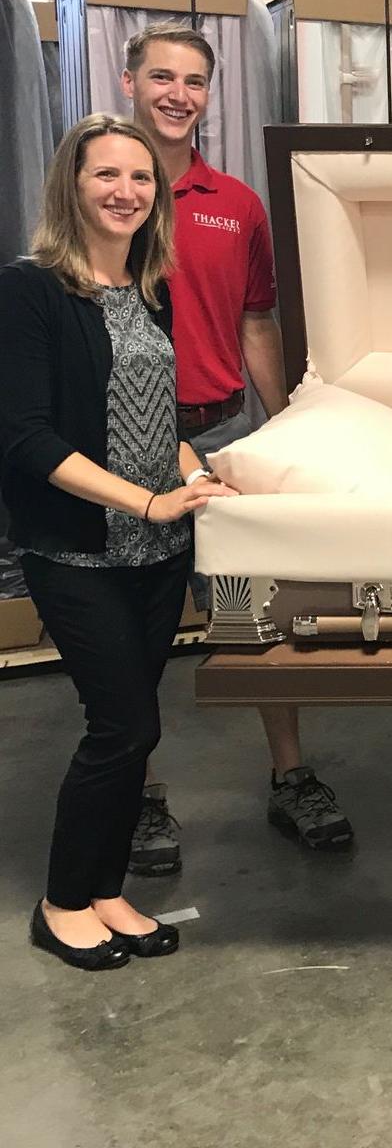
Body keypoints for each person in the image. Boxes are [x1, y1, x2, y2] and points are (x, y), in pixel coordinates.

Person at [0, 114, 235, 970]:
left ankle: (104, 890)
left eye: (141, 178)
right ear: (72, 183)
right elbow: (25, 437)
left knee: (138, 730)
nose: (126, 192)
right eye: (106, 174)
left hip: (155, 552)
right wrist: (148, 501)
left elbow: (159, 419)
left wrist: (195, 475)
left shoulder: (150, 289)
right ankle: (62, 901)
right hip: (76, 551)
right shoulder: (29, 290)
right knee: (120, 725)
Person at [120, 24, 353, 867]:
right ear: (129, 83)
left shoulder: (236, 204)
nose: (177, 95)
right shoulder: (103, 194)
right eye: (161, 78)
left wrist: (287, 422)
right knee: (131, 629)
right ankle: (138, 795)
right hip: (123, 443)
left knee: (255, 611)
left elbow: (258, 321)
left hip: (219, 433)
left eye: (194, 82)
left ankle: (291, 776)